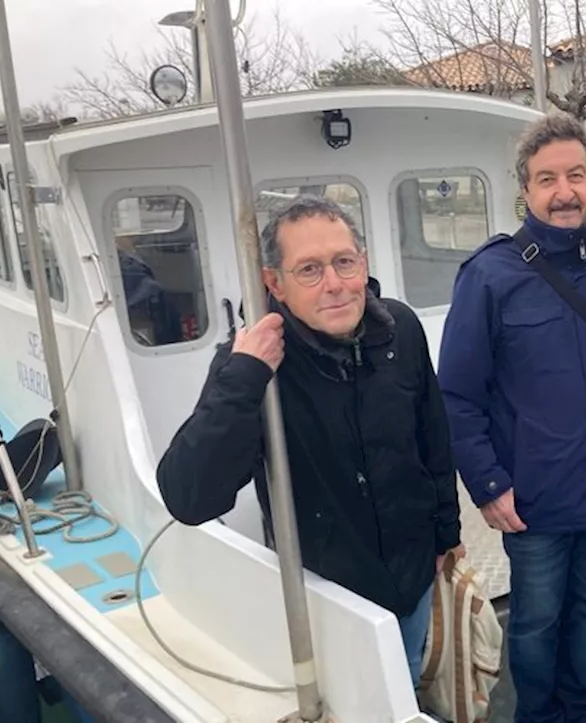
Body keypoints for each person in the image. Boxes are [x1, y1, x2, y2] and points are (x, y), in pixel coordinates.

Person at [155, 195, 464, 684]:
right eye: (310, 270)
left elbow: (433, 439)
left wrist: (447, 534)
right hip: (327, 594)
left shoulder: (400, 329)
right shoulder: (254, 366)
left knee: (405, 685)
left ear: (363, 263)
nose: (335, 285)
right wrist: (244, 375)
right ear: (274, 282)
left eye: (344, 262)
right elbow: (189, 497)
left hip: (412, 575)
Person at [436, 113, 586, 723]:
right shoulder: (490, 275)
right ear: (526, 191)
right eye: (547, 179)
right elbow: (456, 393)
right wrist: (487, 483)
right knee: (536, 624)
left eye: (576, 175)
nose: (564, 192)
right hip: (531, 497)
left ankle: (581, 713)